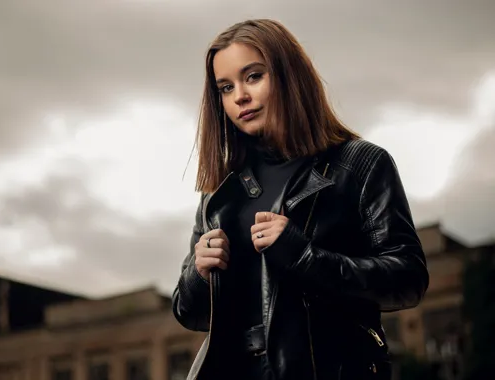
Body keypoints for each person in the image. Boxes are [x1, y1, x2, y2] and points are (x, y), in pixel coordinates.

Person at [171, 19, 429, 380]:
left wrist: (305, 257)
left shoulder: (360, 165)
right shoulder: (220, 192)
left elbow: (408, 279)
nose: (239, 96)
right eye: (226, 88)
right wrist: (198, 274)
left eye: (253, 76)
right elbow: (190, 314)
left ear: (289, 75)